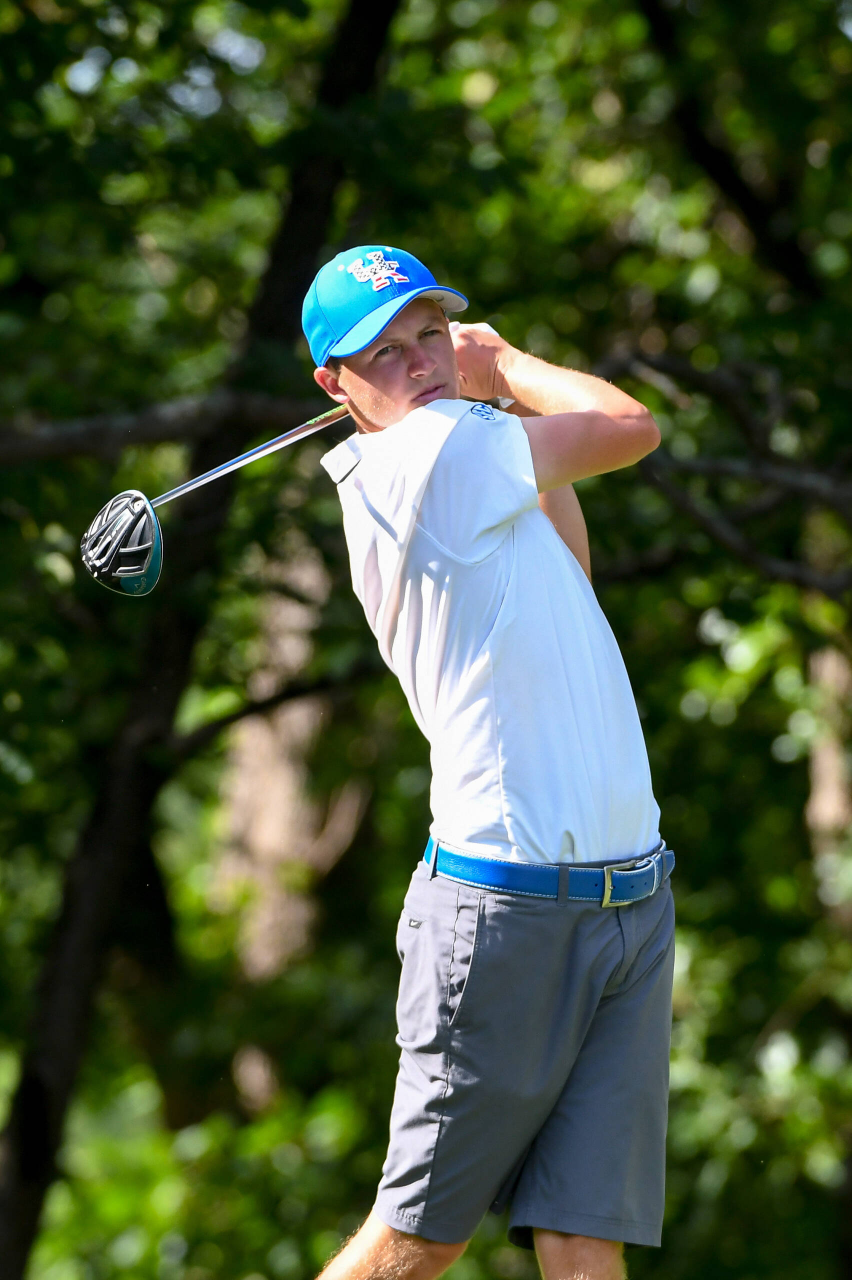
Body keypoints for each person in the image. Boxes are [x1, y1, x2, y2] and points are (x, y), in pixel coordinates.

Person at [301, 245, 672, 1280]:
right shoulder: (429, 457)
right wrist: (502, 366)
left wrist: (489, 406)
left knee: (584, 1235)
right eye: (388, 350)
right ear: (337, 383)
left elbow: (573, 575)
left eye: (432, 335)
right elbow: (630, 426)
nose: (421, 360)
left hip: (627, 898)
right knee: (418, 1238)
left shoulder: (469, 454)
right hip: (510, 914)